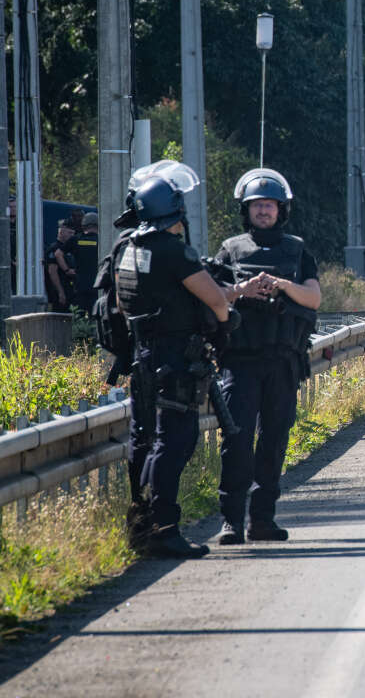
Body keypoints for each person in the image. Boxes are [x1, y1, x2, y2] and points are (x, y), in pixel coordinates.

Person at [116, 162, 232, 558]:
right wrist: (222, 325)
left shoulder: (126, 249)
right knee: (176, 440)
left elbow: (123, 303)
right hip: (175, 358)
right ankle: (163, 528)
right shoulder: (173, 251)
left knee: (144, 440)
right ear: (175, 210)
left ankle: (140, 524)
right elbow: (215, 300)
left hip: (142, 355)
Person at [213, 168, 321, 546]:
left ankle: (262, 520)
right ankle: (230, 522)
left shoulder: (297, 249)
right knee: (237, 441)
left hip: (282, 362)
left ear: (281, 209)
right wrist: (244, 290)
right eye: (257, 205)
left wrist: (282, 286)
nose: (263, 211)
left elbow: (314, 298)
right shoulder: (230, 248)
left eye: (269, 205)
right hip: (239, 362)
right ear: (247, 209)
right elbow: (214, 295)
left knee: (274, 441)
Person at [45, 222, 78, 311]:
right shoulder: (54, 248)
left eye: (73, 233)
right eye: (69, 233)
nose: (72, 236)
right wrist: (60, 292)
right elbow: (52, 272)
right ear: (61, 232)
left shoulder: (69, 248)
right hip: (59, 289)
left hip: (70, 289)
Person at [72, 212, 101, 311]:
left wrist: (67, 270)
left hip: (80, 283)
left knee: (79, 314)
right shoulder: (101, 240)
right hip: (96, 284)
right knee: (95, 313)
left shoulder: (76, 239)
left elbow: (58, 253)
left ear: (83, 225)